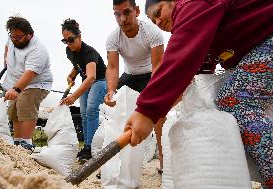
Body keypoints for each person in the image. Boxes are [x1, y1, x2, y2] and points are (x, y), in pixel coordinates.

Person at [124, 0, 273, 188]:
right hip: (261, 48)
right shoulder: (202, 25)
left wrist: (147, 110)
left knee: (234, 99)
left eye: (158, 12)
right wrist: (162, 107)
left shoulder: (192, 4)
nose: (158, 22)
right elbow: (193, 73)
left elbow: (180, 58)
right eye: (154, 21)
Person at [104, 0, 165, 172]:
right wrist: (111, 91)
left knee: (158, 117)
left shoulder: (152, 32)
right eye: (117, 14)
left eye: (127, 12)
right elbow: (113, 67)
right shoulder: (113, 37)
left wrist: (152, 98)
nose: (122, 19)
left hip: (151, 75)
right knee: (115, 112)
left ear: (137, 11)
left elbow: (158, 66)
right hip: (129, 76)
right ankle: (113, 163)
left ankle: (162, 160)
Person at [3, 16, 53, 151]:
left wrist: (16, 89)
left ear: (30, 35)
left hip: (36, 84)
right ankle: (18, 143)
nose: (15, 39)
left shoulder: (38, 50)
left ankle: (27, 143)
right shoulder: (13, 38)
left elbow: (30, 73)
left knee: (24, 103)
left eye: (18, 37)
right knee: (14, 110)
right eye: (12, 36)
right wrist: (6, 61)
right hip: (16, 82)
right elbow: (8, 46)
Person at [60, 19, 107, 161]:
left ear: (79, 37)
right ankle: (87, 146)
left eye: (71, 40)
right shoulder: (69, 51)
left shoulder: (89, 52)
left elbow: (92, 76)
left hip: (99, 81)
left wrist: (74, 96)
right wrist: (72, 75)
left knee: (91, 110)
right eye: (65, 41)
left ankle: (91, 148)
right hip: (86, 81)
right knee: (83, 113)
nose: (68, 43)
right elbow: (77, 65)